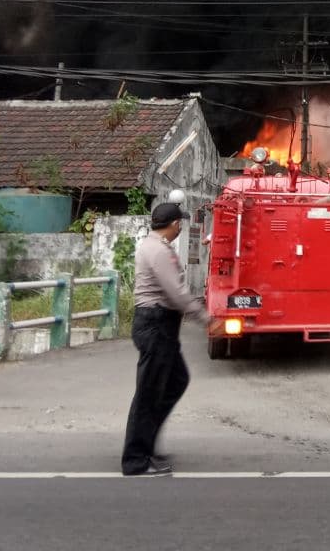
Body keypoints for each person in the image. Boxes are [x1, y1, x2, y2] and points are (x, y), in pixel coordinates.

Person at [121, 202, 213, 477]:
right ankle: (136, 460)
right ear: (175, 224)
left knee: (175, 381)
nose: (181, 227)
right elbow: (176, 293)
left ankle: (146, 445)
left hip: (160, 325)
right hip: (156, 324)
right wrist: (207, 319)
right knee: (149, 394)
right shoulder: (159, 251)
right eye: (180, 223)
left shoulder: (153, 246)